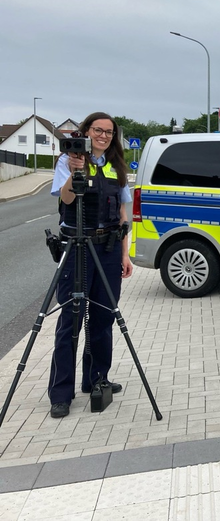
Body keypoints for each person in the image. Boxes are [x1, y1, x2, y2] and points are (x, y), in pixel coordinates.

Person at [48, 112, 133, 419]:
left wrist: (125, 254)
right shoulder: (67, 161)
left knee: (103, 317)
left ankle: (96, 379)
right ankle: (61, 393)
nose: (103, 136)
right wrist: (74, 171)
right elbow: (67, 199)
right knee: (70, 320)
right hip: (77, 247)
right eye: (98, 130)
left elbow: (123, 214)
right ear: (86, 131)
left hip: (108, 248)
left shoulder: (116, 166)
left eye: (109, 132)